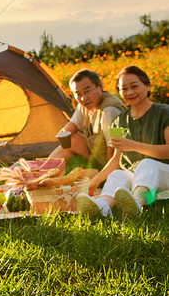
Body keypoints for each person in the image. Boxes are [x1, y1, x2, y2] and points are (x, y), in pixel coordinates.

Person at [77, 65, 169, 218]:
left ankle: (137, 203)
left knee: (146, 164)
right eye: (123, 89)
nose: (130, 92)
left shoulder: (164, 112)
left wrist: (134, 146)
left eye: (134, 86)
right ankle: (103, 206)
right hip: (139, 175)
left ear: (147, 86)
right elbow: (116, 160)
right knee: (118, 174)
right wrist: (94, 181)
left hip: (163, 172)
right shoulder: (120, 120)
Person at [49, 69, 126, 169]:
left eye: (87, 91)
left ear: (100, 86)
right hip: (97, 153)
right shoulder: (85, 105)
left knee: (83, 180)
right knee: (71, 138)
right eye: (78, 94)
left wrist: (105, 175)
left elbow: (113, 150)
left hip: (115, 162)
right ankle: (42, 173)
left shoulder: (109, 111)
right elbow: (73, 125)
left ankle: (100, 174)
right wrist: (64, 133)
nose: (83, 98)